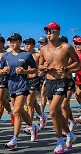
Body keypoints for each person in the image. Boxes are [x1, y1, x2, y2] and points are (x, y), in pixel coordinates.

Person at [39, 22, 79, 153]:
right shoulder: (44, 49)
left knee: (52, 111)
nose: (48, 34)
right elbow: (39, 66)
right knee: (57, 112)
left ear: (57, 32)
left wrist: (67, 69)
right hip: (49, 82)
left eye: (50, 31)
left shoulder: (66, 47)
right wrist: (44, 67)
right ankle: (70, 135)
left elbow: (78, 63)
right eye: (47, 32)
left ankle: (59, 141)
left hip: (62, 82)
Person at [0, 33, 38, 150]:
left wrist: (24, 72)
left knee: (16, 111)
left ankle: (14, 140)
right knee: (20, 110)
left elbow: (35, 69)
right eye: (11, 40)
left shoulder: (26, 55)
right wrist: (3, 70)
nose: (12, 42)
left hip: (23, 86)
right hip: (11, 86)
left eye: (15, 40)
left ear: (20, 42)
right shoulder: (6, 56)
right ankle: (32, 126)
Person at [23, 38, 47, 130]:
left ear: (33, 46)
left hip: (35, 79)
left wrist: (42, 71)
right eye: (25, 45)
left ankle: (29, 125)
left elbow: (44, 64)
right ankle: (42, 116)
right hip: (26, 80)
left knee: (29, 103)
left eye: (28, 45)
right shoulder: (23, 55)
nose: (26, 46)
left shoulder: (37, 55)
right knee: (33, 102)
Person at [58, 36, 77, 132]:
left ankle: (64, 128)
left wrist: (68, 70)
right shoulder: (57, 54)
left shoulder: (71, 54)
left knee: (64, 105)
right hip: (59, 82)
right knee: (66, 105)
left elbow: (78, 67)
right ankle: (72, 120)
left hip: (69, 81)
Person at [38, 36, 48, 114]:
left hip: (48, 75)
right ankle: (42, 111)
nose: (41, 44)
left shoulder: (48, 51)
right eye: (40, 43)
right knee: (43, 94)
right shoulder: (39, 52)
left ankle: (42, 111)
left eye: (42, 43)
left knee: (43, 93)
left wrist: (44, 71)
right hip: (41, 75)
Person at [73, 36, 81, 124]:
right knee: (77, 95)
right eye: (76, 43)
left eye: (80, 44)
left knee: (78, 93)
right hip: (78, 78)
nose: (78, 45)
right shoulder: (75, 53)